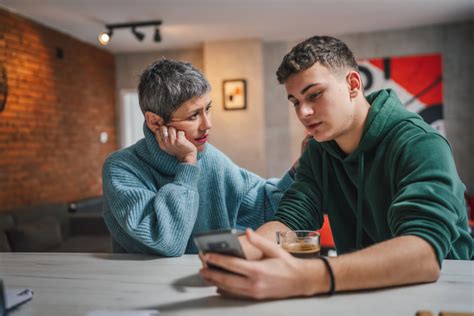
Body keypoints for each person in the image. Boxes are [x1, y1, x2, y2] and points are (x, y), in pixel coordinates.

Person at [199, 35, 473, 299]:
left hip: (442, 295)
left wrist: (308, 277)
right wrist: (245, 250)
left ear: (353, 84)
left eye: (314, 95)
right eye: (295, 101)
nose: (303, 112)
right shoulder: (318, 152)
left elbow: (424, 255)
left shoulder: (420, 143)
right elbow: (290, 221)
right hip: (362, 292)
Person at [101, 59, 302, 256]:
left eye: (208, 109)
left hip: (206, 281)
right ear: (155, 122)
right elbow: (166, 242)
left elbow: (266, 206)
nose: (207, 124)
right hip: (139, 287)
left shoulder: (212, 160)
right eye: (193, 115)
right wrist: (187, 164)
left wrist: (298, 170)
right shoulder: (121, 168)